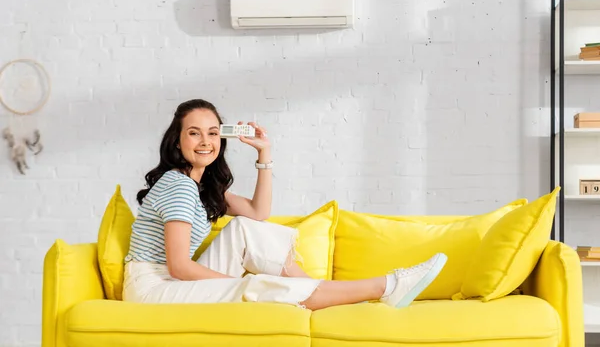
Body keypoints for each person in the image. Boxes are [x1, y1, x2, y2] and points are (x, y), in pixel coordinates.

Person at [123, 98, 447, 310]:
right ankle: (386, 285)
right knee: (258, 287)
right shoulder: (178, 185)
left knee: (245, 229)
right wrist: (242, 283)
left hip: (173, 282)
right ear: (177, 141)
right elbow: (179, 267)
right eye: (194, 133)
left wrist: (264, 153)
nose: (205, 141)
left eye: (212, 133)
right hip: (154, 291)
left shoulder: (199, 186)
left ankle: (326, 294)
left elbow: (258, 214)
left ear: (222, 139)